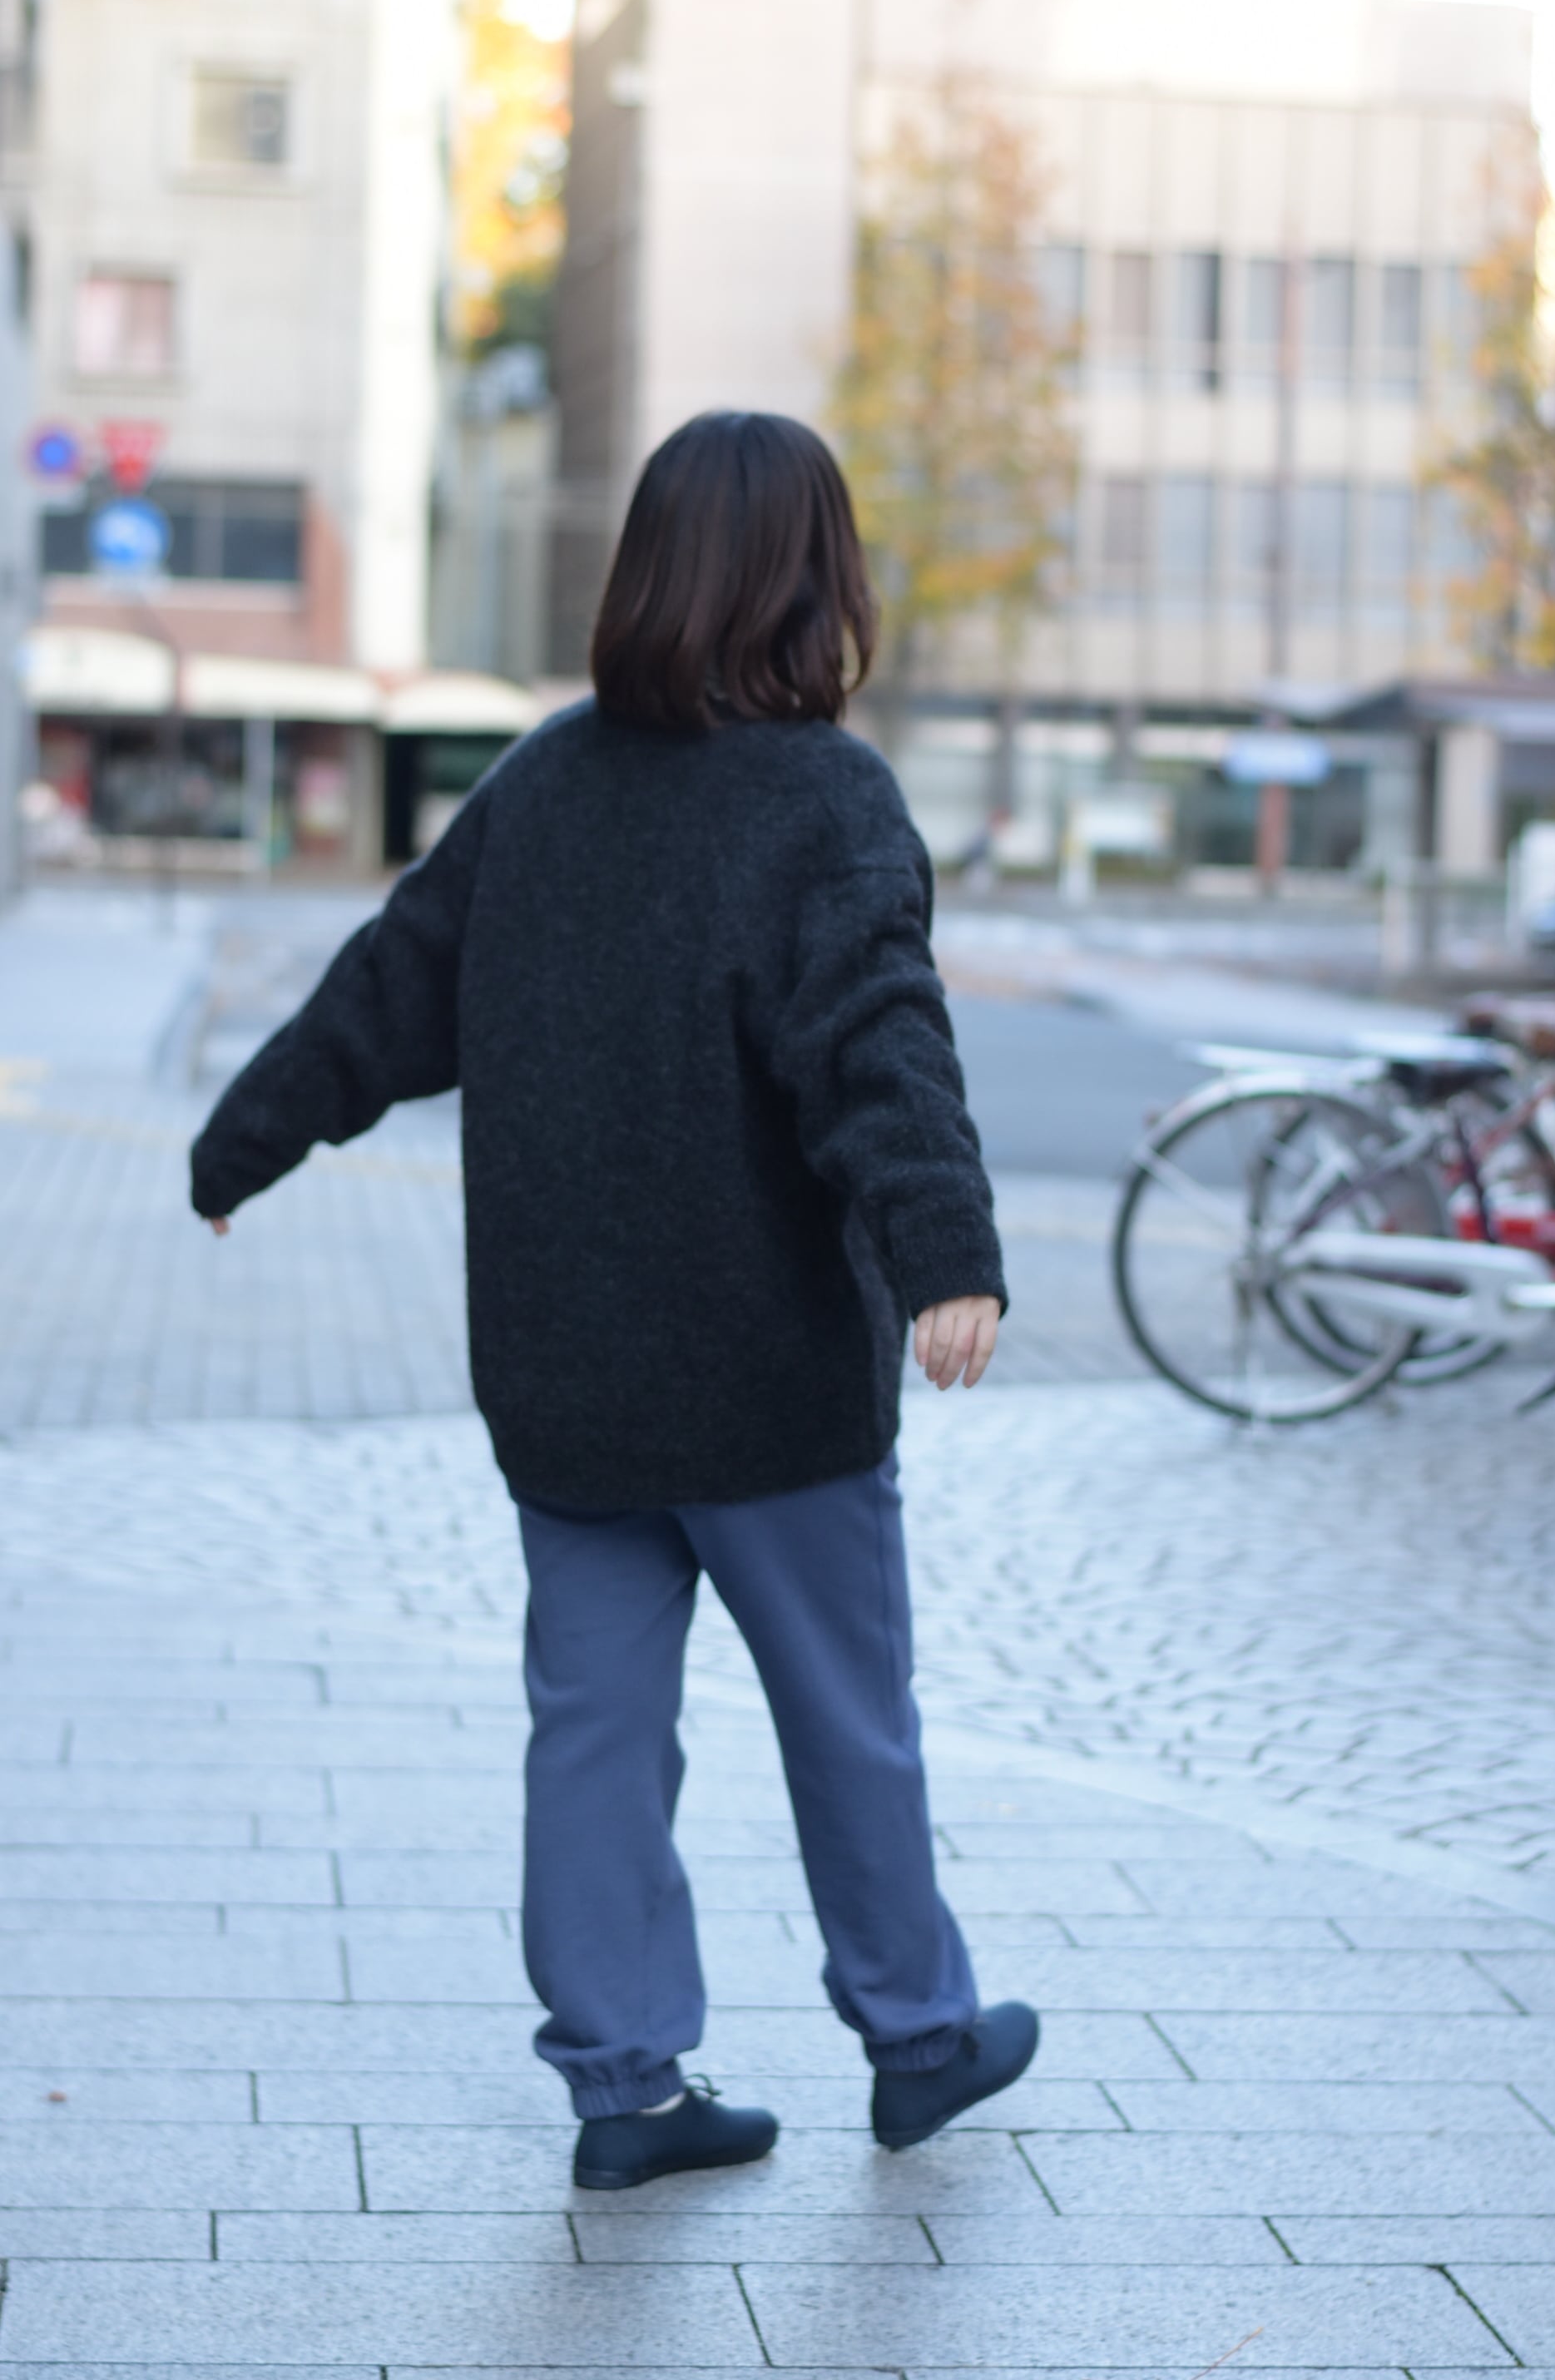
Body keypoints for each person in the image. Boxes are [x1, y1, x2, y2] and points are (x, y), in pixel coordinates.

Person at [190, 408, 1039, 2192]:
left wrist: (241, 1139)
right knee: (845, 1713)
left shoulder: (544, 784)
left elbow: (387, 990)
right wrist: (945, 1250)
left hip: (565, 1376)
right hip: (767, 1380)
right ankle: (919, 2035)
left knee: (591, 1727)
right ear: (815, 580)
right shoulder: (824, 796)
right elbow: (876, 1043)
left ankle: (625, 2083)